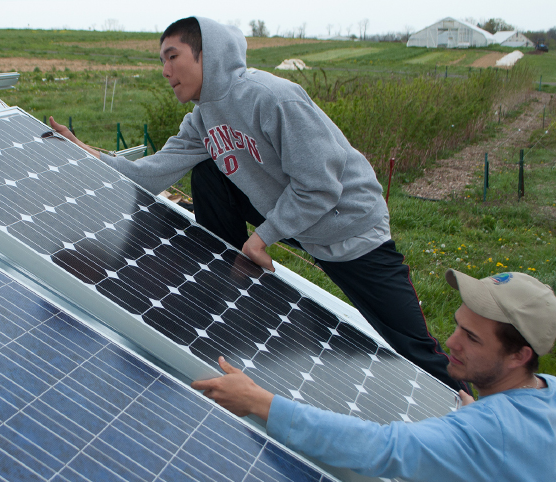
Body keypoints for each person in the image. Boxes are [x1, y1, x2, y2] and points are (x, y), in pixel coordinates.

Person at [49, 16, 470, 394]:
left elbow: (322, 187)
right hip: (294, 219)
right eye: (162, 60)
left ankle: (472, 412)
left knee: (414, 349)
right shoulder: (202, 117)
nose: (165, 71)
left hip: (350, 230)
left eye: (172, 56)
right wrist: (87, 152)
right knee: (208, 171)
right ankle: (221, 281)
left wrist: (262, 239)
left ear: (205, 54)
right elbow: (151, 174)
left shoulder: (273, 97)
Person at [192, 270, 556, 482]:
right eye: (459, 326)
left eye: (473, 339)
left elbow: (381, 448)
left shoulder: (489, 433)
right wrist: (480, 414)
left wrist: (262, 404)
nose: (452, 343)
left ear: (519, 356)